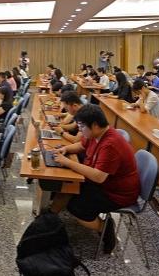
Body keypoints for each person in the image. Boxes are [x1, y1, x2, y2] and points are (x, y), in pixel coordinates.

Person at [49, 105, 140, 254]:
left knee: (76, 207)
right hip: (106, 184)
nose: (80, 130)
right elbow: (81, 145)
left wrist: (68, 162)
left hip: (117, 194)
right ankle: (49, 219)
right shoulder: (97, 134)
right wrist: (65, 149)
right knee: (68, 185)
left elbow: (98, 177)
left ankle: (105, 228)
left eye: (82, 126)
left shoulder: (110, 144)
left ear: (95, 125)